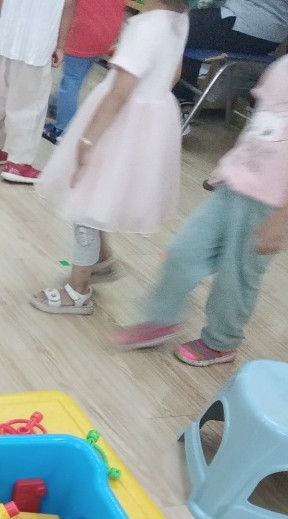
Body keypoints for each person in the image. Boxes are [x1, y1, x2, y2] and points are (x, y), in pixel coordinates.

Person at [113, 54, 288, 365]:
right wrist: (229, 166)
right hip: (233, 184)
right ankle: (162, 318)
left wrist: (280, 219)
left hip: (269, 204)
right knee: (183, 253)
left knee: (235, 277)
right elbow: (260, 123)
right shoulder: (282, 66)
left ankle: (221, 341)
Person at [31, 0, 190, 315]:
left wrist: (87, 140)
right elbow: (173, 73)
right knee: (98, 194)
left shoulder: (144, 26)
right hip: (153, 122)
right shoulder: (178, 19)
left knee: (84, 198)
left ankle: (78, 291)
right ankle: (101, 259)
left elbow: (119, 94)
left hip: (118, 123)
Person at [0, 0, 77, 184]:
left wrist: (0, 30)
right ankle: (18, 163)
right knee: (29, 106)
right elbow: (68, 4)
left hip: (5, 37)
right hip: (36, 44)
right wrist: (60, 46)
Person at [42, 0, 128, 144]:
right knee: (77, 76)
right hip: (106, 34)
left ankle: (62, 128)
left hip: (82, 33)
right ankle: (56, 105)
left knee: (71, 81)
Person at [176, 0, 288, 101]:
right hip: (272, 36)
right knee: (189, 25)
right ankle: (182, 98)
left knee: (176, 24)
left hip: (245, 22)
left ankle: (180, 97)